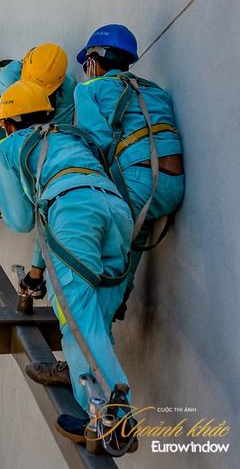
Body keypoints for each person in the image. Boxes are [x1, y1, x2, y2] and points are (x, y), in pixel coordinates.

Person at [0, 80, 136, 454]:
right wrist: (38, 271)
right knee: (94, 323)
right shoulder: (73, 136)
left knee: (76, 321)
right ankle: (90, 399)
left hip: (72, 214)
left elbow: (23, 219)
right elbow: (47, 218)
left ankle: (113, 420)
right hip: (115, 211)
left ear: (8, 123)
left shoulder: (10, 146)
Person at [73, 24, 183, 319]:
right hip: (172, 186)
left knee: (103, 237)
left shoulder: (89, 89)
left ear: (94, 62)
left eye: (86, 66)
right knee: (134, 231)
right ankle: (121, 296)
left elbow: (94, 144)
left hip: (137, 183)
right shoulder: (155, 90)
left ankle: (102, 311)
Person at [0, 43, 77, 154]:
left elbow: (60, 129)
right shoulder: (11, 73)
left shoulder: (68, 89)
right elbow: (10, 114)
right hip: (7, 126)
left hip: (39, 137)